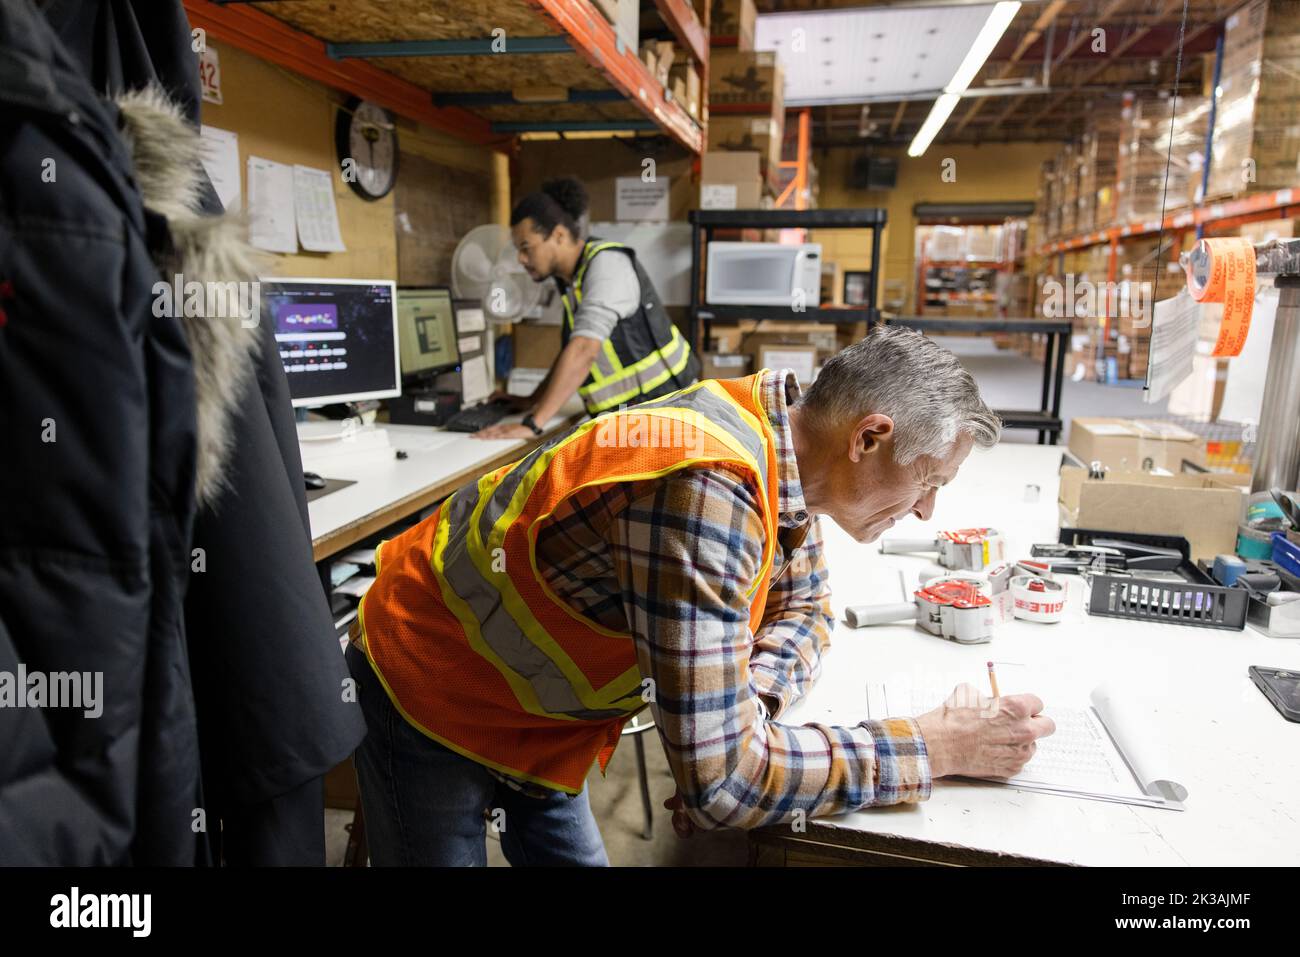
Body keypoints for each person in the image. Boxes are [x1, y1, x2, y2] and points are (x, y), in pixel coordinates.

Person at [344, 325, 1054, 866]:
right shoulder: (709, 487)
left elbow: (806, 611)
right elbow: (727, 787)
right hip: (431, 684)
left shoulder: (788, 442)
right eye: (929, 479)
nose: (929, 510)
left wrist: (745, 709)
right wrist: (929, 747)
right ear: (869, 436)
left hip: (544, 718)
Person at [474, 177, 699, 440]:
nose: (521, 259)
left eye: (526, 248)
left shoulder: (606, 265)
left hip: (667, 414)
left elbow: (584, 349)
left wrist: (534, 424)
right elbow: (572, 349)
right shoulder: (571, 280)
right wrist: (532, 400)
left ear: (558, 235)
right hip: (635, 419)